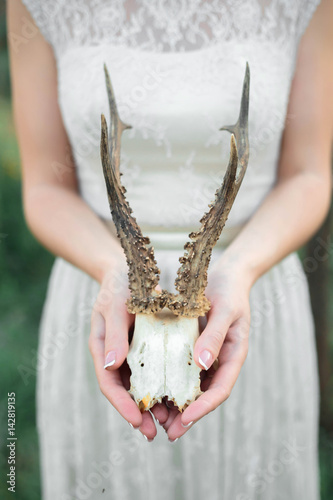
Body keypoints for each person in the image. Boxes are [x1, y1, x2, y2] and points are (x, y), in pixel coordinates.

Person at [8, 0, 333, 499]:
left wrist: (239, 270)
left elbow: (309, 175)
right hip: (102, 304)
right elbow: (46, 189)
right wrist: (112, 268)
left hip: (251, 296)